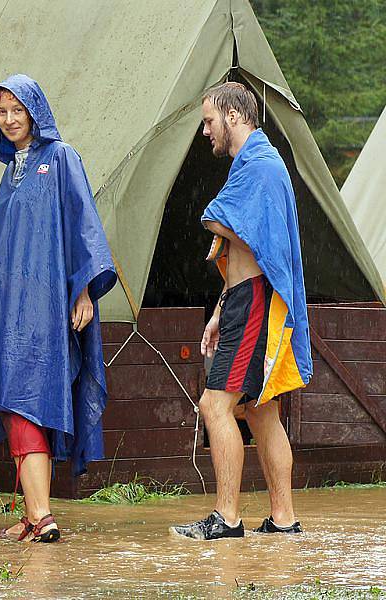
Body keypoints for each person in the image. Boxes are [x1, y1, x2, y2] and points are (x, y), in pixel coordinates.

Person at [0, 74, 117, 542]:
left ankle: (42, 516)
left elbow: (84, 224)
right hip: (5, 312)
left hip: (44, 311)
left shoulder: (61, 159)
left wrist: (83, 290)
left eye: (16, 111)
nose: (8, 120)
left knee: (27, 401)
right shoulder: (11, 172)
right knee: (12, 402)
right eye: (0, 113)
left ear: (35, 111)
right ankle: (31, 515)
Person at [171, 82, 312, 540]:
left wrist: (217, 219)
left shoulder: (260, 167)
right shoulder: (255, 166)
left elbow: (225, 222)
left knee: (216, 405)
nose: (206, 132)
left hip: (253, 301)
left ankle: (227, 519)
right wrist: (218, 308)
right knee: (260, 410)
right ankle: (284, 520)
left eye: (209, 121)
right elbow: (251, 243)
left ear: (234, 115)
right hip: (245, 299)